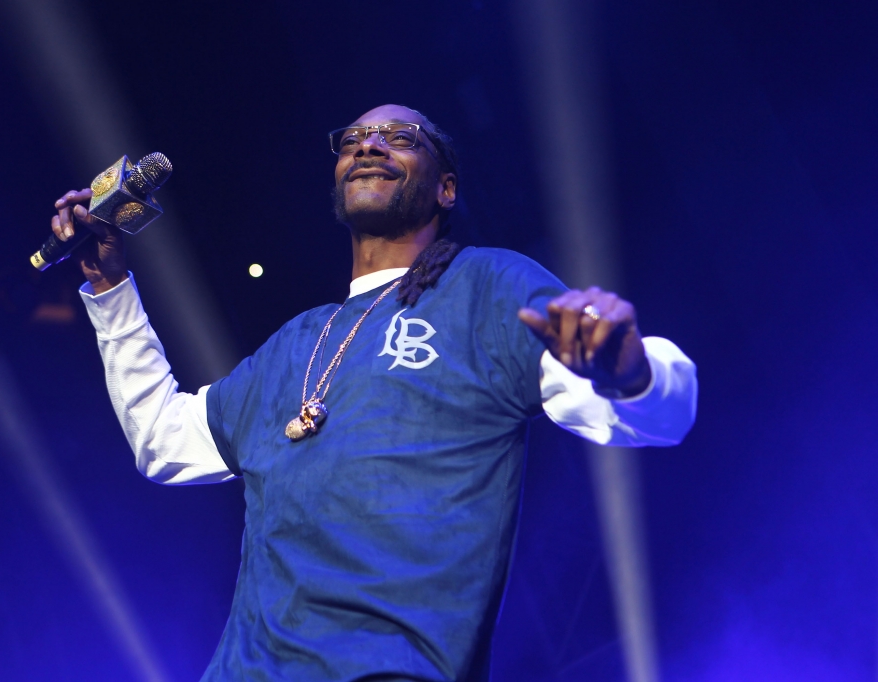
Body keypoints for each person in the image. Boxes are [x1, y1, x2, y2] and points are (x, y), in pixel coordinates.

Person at [51, 104, 697, 682]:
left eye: (399, 136)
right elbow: (162, 439)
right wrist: (110, 290)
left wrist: (631, 371)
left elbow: (665, 412)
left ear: (446, 188)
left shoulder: (486, 289)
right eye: (355, 137)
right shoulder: (295, 344)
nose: (369, 145)